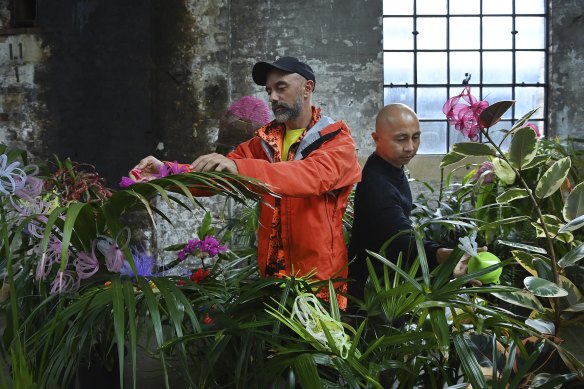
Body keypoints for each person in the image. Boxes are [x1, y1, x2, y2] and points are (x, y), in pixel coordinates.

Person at [129, 56, 362, 308]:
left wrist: (239, 167)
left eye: (281, 87)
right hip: (273, 282)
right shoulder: (263, 142)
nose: (273, 97)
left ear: (307, 89)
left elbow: (309, 176)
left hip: (319, 286)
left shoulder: (337, 142)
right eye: (269, 91)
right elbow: (217, 177)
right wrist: (166, 172)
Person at [348, 103, 478, 300]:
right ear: (376, 139)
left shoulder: (390, 166)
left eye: (415, 137)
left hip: (389, 280)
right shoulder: (377, 185)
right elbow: (400, 240)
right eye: (401, 139)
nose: (410, 147)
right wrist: (444, 255)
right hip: (372, 291)